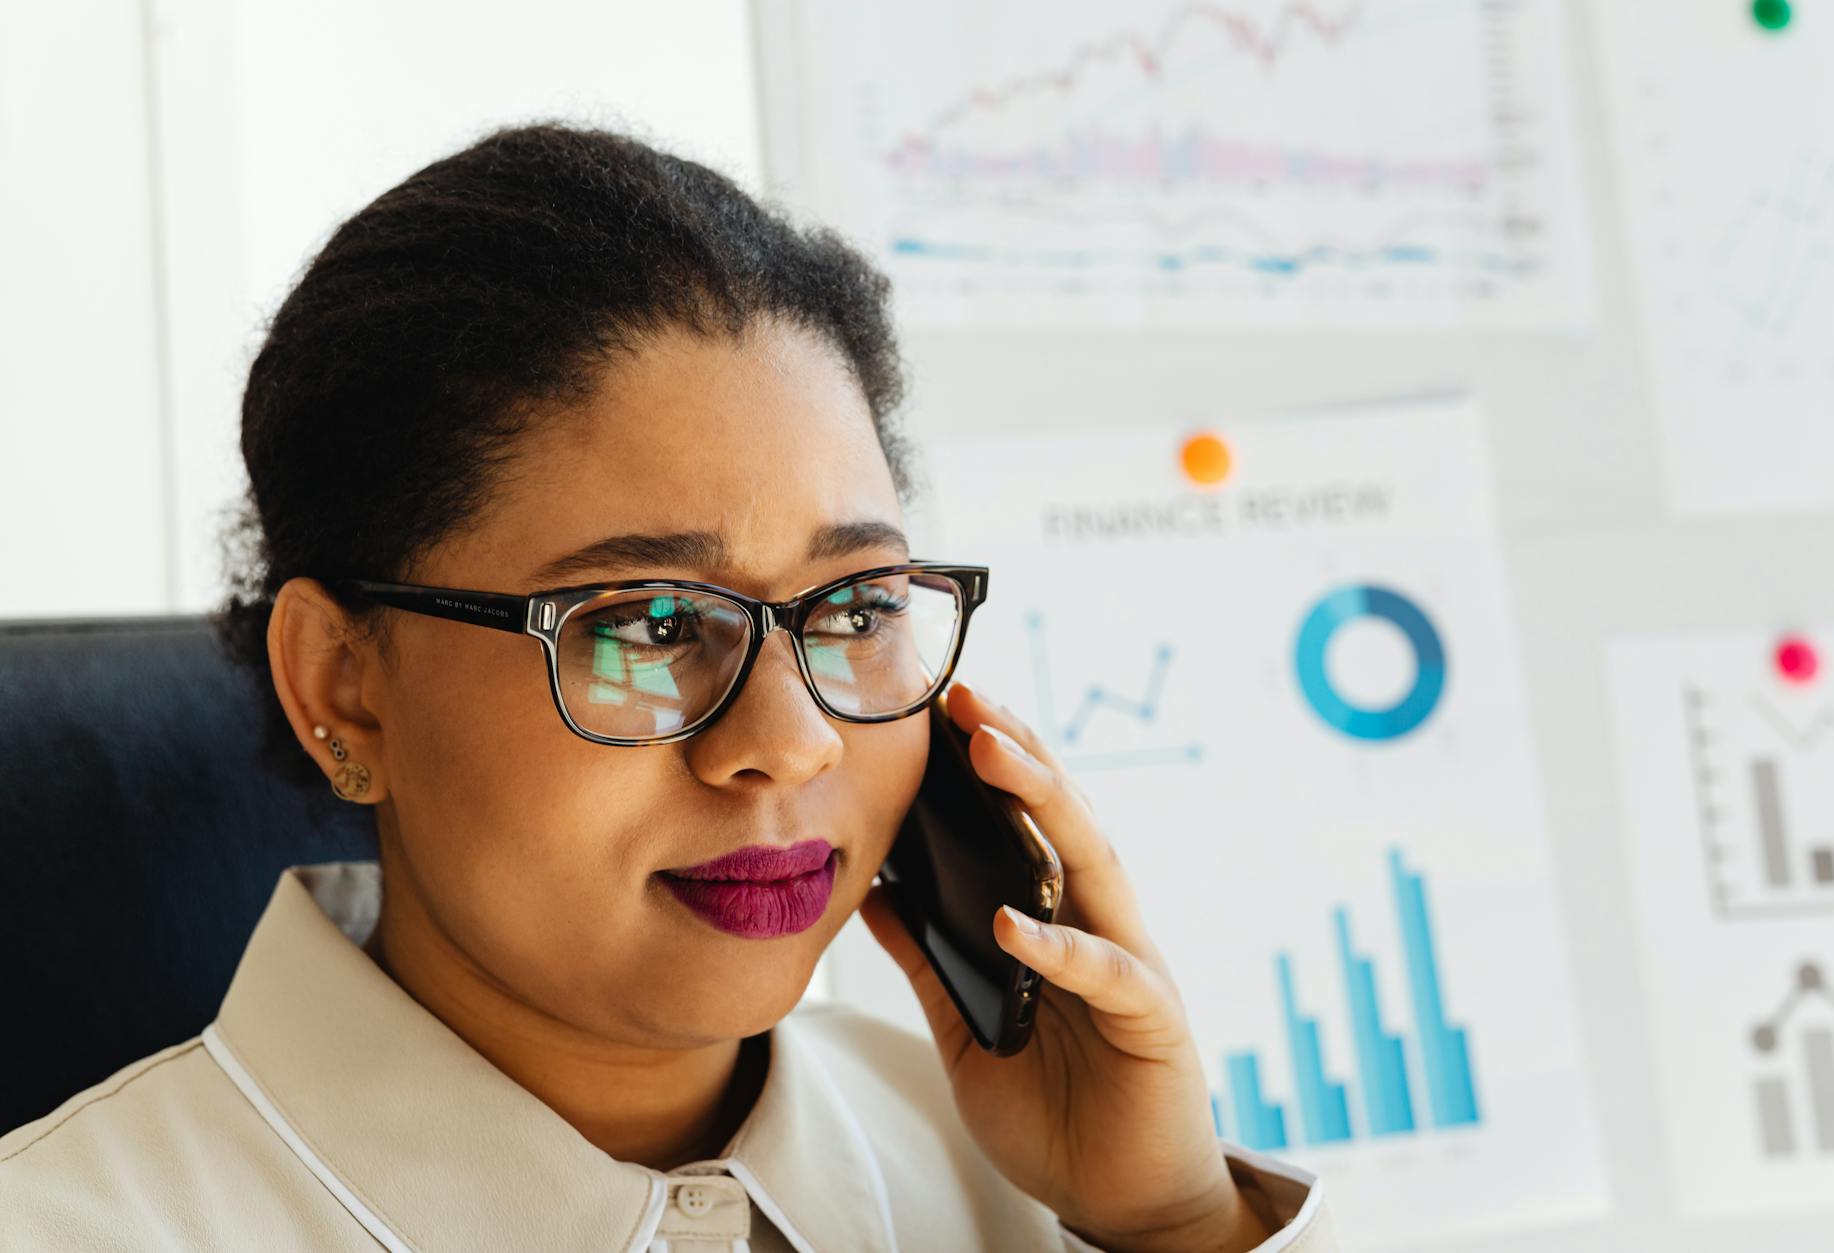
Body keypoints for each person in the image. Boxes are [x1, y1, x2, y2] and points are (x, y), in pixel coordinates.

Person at [0, 122, 1333, 1252]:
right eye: (646, 622)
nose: (790, 743)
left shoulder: (1035, 1180)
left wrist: (1175, 1226)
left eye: (855, 607)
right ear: (346, 689)